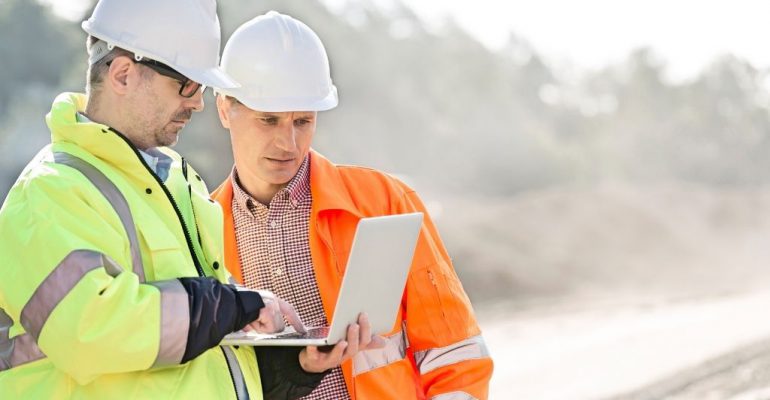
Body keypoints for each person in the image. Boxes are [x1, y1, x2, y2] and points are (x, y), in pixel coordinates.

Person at [0, 1, 375, 399]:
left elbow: (200, 355)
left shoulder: (180, 185)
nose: (197, 103)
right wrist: (227, 305)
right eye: (187, 85)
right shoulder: (49, 193)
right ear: (124, 75)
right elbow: (87, 331)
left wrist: (293, 368)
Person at [212, 11, 494, 399]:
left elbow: (454, 355)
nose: (288, 144)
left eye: (303, 122)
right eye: (269, 120)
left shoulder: (383, 202)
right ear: (225, 109)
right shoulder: (201, 228)